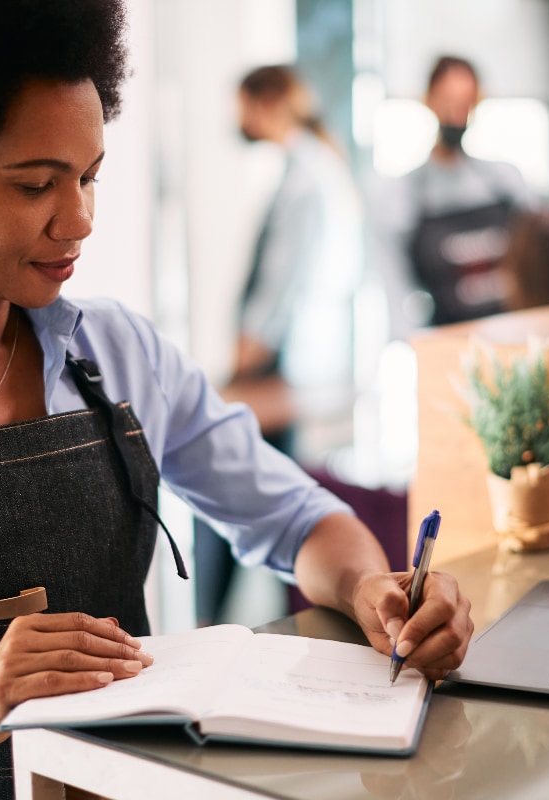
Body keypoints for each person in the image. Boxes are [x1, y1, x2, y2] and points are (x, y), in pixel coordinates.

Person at [0, 2, 473, 797]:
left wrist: (373, 591)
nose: (81, 219)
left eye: (90, 175)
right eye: (36, 185)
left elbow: (297, 518)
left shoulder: (122, 354)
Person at [195, 64, 364, 625]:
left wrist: (232, 371)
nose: (235, 119)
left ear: (266, 104)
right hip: (304, 370)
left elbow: (277, 291)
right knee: (275, 500)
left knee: (222, 490)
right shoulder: (321, 164)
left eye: (241, 104)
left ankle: (207, 628)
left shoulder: (302, 177)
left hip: (283, 372)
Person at [372, 55, 537, 336]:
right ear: (429, 100)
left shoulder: (504, 180)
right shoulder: (405, 194)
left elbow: (541, 253)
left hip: (512, 334)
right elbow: (395, 286)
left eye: (466, 103)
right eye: (449, 101)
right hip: (448, 344)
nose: (457, 114)